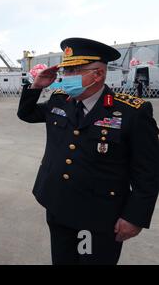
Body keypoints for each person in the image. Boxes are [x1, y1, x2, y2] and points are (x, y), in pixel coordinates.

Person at [18, 37, 159, 265]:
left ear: (98, 74)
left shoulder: (132, 112)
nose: (67, 77)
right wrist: (36, 86)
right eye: (67, 69)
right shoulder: (60, 100)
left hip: (99, 216)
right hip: (58, 206)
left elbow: (148, 172)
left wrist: (134, 217)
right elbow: (26, 114)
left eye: (74, 70)